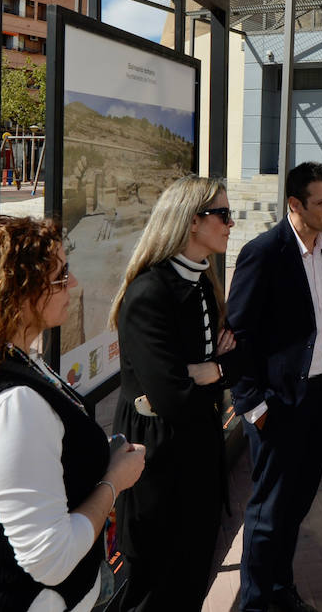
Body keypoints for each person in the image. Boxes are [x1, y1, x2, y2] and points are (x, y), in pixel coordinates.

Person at [0, 215, 147, 612]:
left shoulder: (0, 361)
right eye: (60, 276)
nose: (74, 284)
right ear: (15, 294)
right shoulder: (13, 406)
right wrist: (113, 482)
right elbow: (50, 559)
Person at [226, 162, 322, 612]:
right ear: (294, 204)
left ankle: (279, 591)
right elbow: (236, 337)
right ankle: (255, 604)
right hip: (279, 404)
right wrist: (252, 404)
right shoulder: (264, 252)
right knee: (268, 513)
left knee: (295, 507)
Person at [109, 176, 242, 611]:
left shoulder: (202, 283)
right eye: (221, 214)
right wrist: (212, 375)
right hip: (158, 466)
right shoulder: (150, 293)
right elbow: (172, 398)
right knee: (155, 588)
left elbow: (234, 362)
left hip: (196, 456)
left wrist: (212, 371)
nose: (230, 223)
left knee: (190, 581)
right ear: (191, 222)